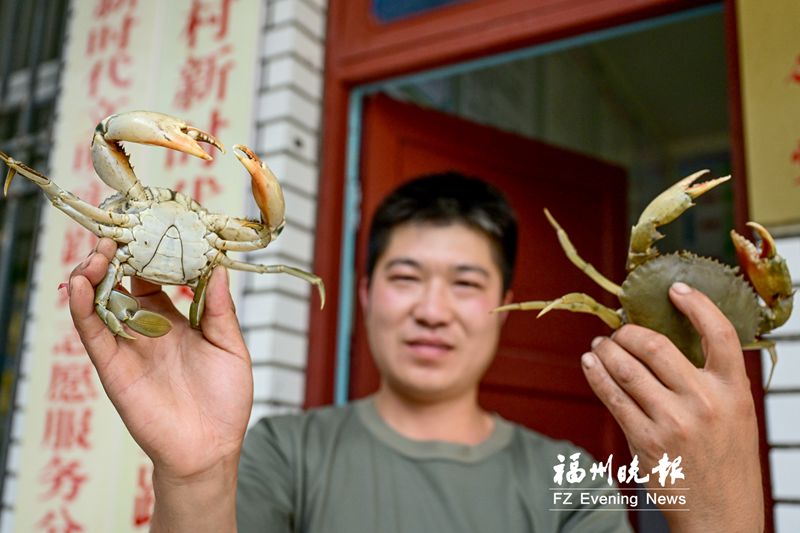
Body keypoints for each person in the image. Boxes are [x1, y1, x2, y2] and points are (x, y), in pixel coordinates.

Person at [67, 173, 764, 532]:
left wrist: (725, 515)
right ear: (365, 292)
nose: (432, 308)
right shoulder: (284, 452)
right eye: (406, 277)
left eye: (466, 282)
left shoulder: (570, 477)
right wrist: (192, 477)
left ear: (505, 300)